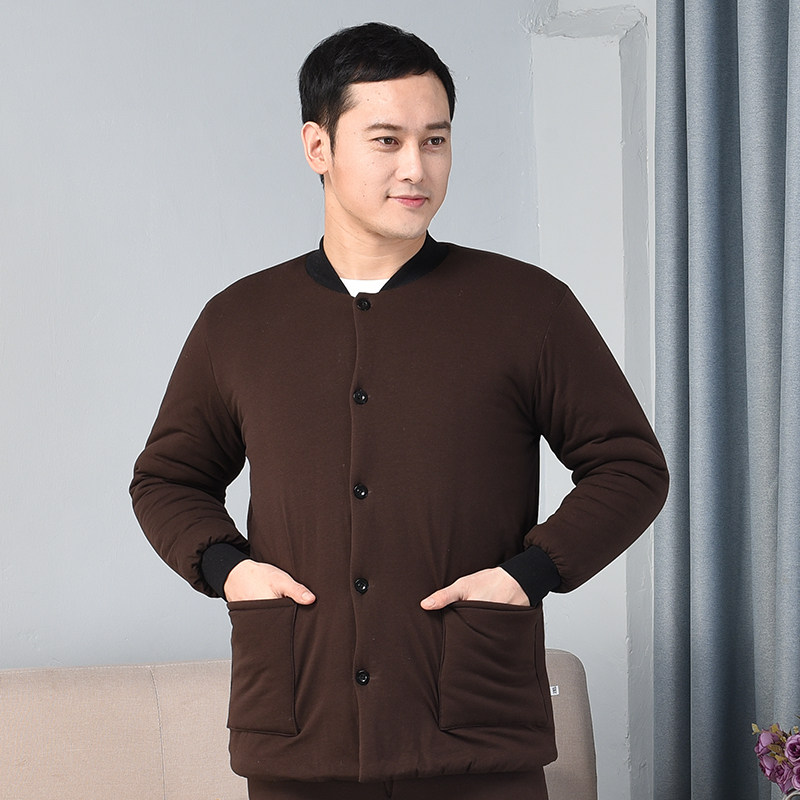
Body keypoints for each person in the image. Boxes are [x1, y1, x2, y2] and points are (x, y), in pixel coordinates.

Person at [130, 21, 668, 800]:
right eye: (386, 140)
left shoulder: (527, 307)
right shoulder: (239, 321)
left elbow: (629, 465)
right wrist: (228, 570)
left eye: (435, 140)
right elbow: (167, 479)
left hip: (476, 734)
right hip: (300, 736)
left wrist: (530, 574)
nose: (417, 167)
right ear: (318, 146)